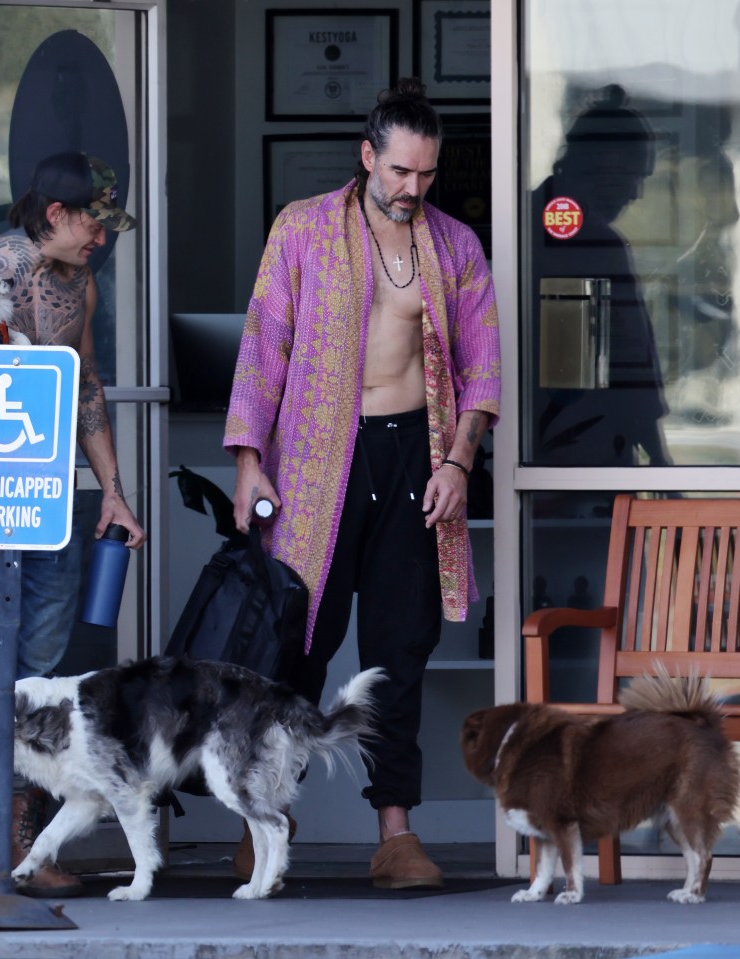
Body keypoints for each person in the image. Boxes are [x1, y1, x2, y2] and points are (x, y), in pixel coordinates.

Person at [223, 78, 501, 889]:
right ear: (367, 155)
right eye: (400, 172)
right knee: (295, 645)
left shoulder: (454, 246)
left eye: (425, 174)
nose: (412, 188)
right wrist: (249, 460)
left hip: (414, 458)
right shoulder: (303, 228)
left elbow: (481, 368)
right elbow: (262, 344)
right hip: (316, 460)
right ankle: (266, 818)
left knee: (398, 648)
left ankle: (396, 834)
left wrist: (455, 460)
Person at [2, 151, 147, 898]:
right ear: (56, 213)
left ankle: (20, 840)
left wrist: (113, 492)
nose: (101, 238)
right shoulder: (0, 266)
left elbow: (85, 386)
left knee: (37, 667)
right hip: (0, 501)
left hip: (49, 501)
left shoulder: (82, 284)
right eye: (94, 221)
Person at [530, 84, 672, 466]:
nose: (636, 193)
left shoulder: (522, 224)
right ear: (608, 164)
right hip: (586, 451)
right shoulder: (599, 243)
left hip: (530, 446)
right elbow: (634, 364)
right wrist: (660, 462)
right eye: (634, 175)